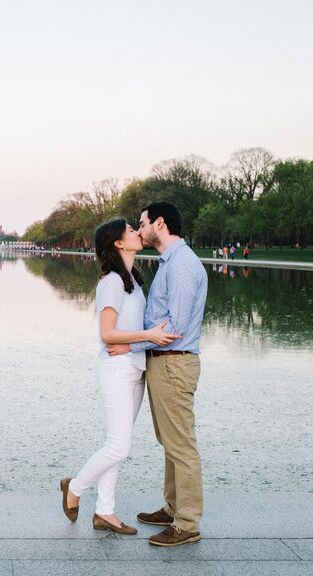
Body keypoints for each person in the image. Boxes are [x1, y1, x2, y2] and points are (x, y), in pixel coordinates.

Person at [60, 218, 180, 536]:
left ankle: (105, 512)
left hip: (135, 369)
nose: (137, 232)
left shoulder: (132, 279)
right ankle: (74, 487)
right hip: (116, 370)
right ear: (118, 243)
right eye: (130, 230)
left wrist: (143, 341)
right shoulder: (112, 281)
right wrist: (150, 336)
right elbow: (107, 334)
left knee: (117, 444)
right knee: (118, 446)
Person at [107, 201, 208, 547]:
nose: (139, 229)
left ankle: (187, 523)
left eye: (142, 223)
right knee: (170, 440)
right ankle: (173, 506)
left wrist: (130, 346)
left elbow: (174, 327)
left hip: (173, 361)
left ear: (160, 223)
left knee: (181, 444)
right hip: (164, 361)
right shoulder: (170, 262)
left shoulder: (180, 265)